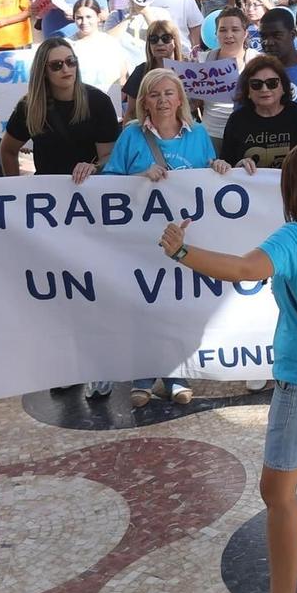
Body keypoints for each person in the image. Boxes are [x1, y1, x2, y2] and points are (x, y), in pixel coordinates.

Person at [161, 142, 297, 593]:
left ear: (295, 187)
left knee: (277, 491)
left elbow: (244, 270)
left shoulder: (295, 237)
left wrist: (181, 250)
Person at [78, 67, 217, 406]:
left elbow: (209, 178)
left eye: (169, 93)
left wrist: (222, 169)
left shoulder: (198, 135)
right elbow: (110, 183)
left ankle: (175, 375)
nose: (163, 100)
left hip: (184, 239)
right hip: (139, 239)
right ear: (144, 102)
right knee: (142, 305)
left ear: (180, 98)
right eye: (154, 95)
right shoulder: (131, 136)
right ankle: (142, 376)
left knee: (176, 305)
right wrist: (138, 177)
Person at [0, 39, 119, 182]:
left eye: (71, 61)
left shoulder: (99, 101)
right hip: (47, 192)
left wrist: (93, 167)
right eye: (56, 65)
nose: (66, 69)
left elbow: (108, 155)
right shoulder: (29, 106)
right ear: (43, 71)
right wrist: (15, 188)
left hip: (88, 188)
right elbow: (7, 150)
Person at [215, 53, 297, 173]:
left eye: (272, 83)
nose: (264, 89)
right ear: (248, 91)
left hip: (295, 189)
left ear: (283, 87)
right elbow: (226, 163)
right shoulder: (237, 120)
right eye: (256, 84)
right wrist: (237, 165)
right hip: (251, 190)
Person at [201, 6, 254, 139]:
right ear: (216, 33)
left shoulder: (257, 61)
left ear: (245, 33)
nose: (229, 35)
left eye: (235, 29)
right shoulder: (202, 60)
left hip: (245, 134)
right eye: (223, 30)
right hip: (209, 134)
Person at [64, 0, 130, 98]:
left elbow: (122, 76)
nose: (84, 22)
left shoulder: (111, 43)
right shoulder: (66, 45)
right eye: (79, 18)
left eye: (89, 17)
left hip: (110, 104)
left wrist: (117, 101)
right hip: (79, 104)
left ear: (98, 17)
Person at [121, 19, 190, 109]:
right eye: (153, 39)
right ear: (149, 44)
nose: (160, 43)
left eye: (166, 38)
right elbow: (131, 112)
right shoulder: (141, 71)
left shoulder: (188, 68)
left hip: (187, 121)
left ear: (175, 41)